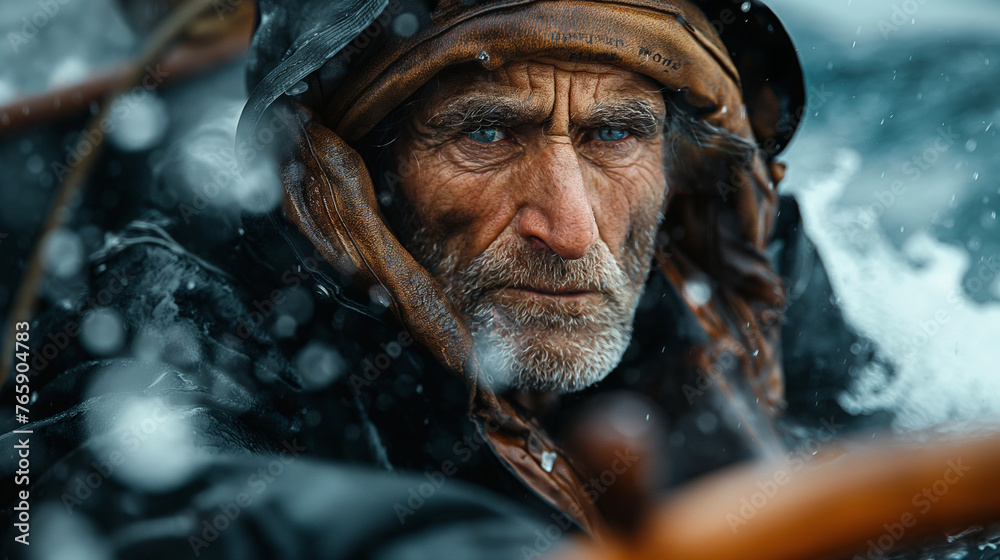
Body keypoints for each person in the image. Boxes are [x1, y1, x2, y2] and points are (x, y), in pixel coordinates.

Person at [0, 0, 882, 557]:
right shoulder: (184, 301)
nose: (573, 231)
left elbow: (867, 437)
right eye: (487, 135)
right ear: (354, 174)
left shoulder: (733, 262)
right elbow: (101, 504)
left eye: (615, 134)